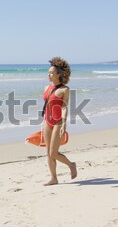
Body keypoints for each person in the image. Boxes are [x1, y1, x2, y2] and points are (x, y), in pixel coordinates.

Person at [41, 57, 77, 186]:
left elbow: (64, 107)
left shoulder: (64, 90)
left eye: (51, 73)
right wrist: (43, 124)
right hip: (47, 122)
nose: (48, 75)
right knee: (48, 153)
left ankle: (71, 165)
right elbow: (47, 106)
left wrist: (63, 123)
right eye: (48, 72)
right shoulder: (46, 88)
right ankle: (54, 178)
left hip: (58, 123)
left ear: (58, 74)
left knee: (53, 153)